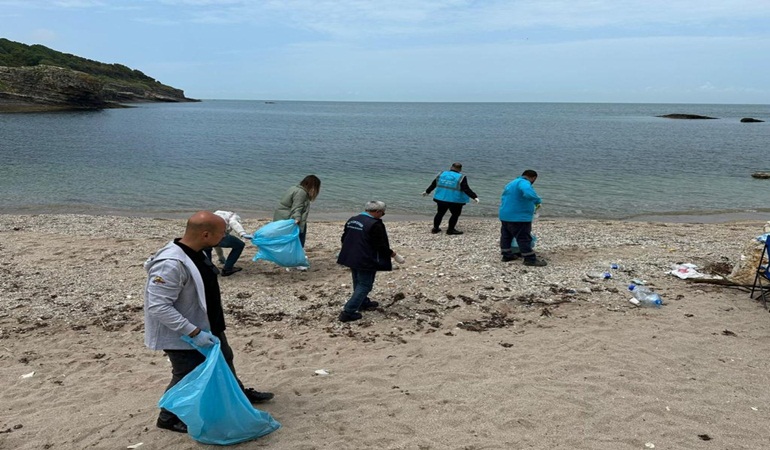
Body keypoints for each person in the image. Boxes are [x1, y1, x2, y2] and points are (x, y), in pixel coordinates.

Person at [144, 211, 274, 434]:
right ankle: (167, 417)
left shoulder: (197, 252)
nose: (224, 238)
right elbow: (158, 306)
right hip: (186, 333)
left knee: (225, 359)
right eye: (222, 234)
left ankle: (239, 396)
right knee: (186, 373)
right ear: (205, 234)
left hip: (209, 324)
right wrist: (194, 332)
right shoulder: (170, 264)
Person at [336, 201, 405, 322]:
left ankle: (362, 302)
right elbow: (380, 245)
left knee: (357, 280)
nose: (383, 215)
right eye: (383, 213)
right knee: (365, 284)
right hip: (365, 258)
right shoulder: (374, 224)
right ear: (378, 212)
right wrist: (394, 255)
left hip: (351, 255)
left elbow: (344, 237)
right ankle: (348, 311)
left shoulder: (353, 220)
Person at [499, 170, 547, 267]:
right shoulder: (524, 183)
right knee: (524, 237)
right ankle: (529, 259)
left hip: (505, 214)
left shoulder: (511, 183)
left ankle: (507, 255)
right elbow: (528, 193)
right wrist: (537, 200)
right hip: (519, 216)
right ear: (533, 178)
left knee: (506, 236)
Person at [423, 162, 479, 235]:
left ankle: (435, 229)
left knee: (440, 213)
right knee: (455, 214)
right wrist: (474, 197)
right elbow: (466, 189)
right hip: (455, 200)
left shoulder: (442, 174)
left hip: (441, 198)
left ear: (451, 167)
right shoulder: (461, 177)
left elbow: (434, 184)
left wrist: (427, 191)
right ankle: (450, 230)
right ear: (460, 169)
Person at [273, 175, 321, 248]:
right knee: (298, 241)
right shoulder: (301, 192)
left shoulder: (294, 188)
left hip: (281, 217)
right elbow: (297, 207)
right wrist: (297, 219)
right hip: (289, 218)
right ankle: (294, 256)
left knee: (284, 241)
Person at [206, 210, 252, 277]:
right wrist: (243, 233)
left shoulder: (217, 213)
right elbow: (234, 223)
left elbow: (215, 243)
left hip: (204, 234)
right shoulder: (233, 216)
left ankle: (207, 270)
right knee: (240, 245)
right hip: (217, 235)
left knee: (207, 248)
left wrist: (220, 256)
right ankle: (227, 269)